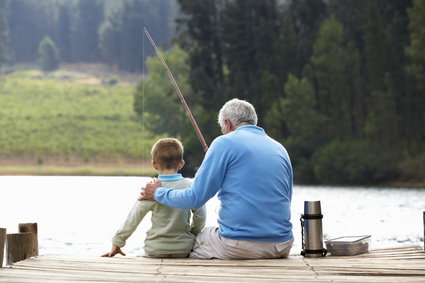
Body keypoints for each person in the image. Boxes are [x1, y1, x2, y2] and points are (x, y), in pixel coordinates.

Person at [140, 98, 294, 259]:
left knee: (192, 241)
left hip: (239, 246)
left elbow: (194, 198)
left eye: (222, 128)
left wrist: (158, 193)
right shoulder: (280, 148)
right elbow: (286, 199)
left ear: (227, 124)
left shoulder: (223, 143)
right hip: (281, 246)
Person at [102, 138, 206, 258]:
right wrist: (192, 234)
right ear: (181, 164)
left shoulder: (151, 189)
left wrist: (117, 242)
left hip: (155, 249)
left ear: (154, 164)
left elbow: (134, 218)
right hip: (183, 249)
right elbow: (201, 217)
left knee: (139, 257)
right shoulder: (190, 186)